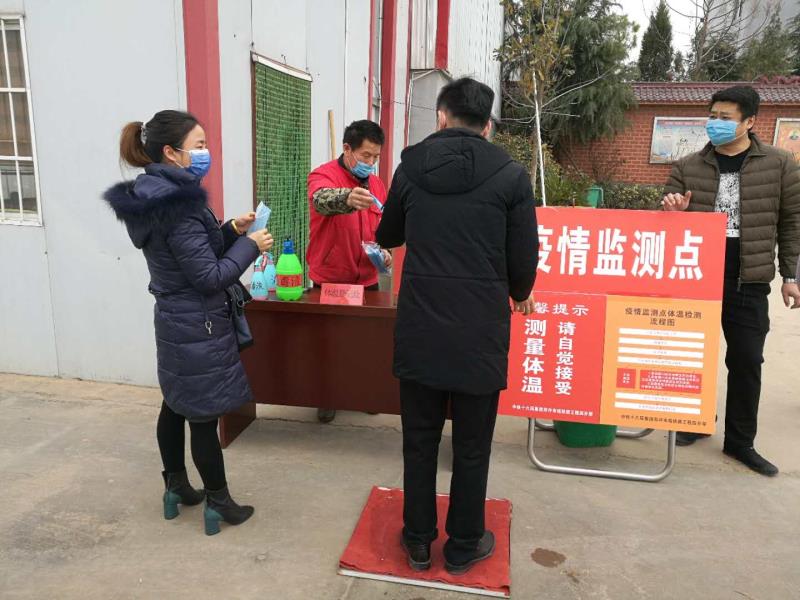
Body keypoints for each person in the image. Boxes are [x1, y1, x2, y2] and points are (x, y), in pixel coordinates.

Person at [376, 78, 538, 574]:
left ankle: (418, 541)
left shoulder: (409, 167)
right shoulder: (511, 176)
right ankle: (465, 544)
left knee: (419, 440)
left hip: (421, 326)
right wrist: (519, 293)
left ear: (441, 117)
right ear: (487, 125)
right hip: (479, 331)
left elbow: (388, 233)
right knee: (471, 445)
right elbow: (523, 260)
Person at [103, 110, 274, 533]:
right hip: (200, 323)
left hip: (174, 318)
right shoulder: (178, 205)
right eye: (198, 146)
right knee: (202, 414)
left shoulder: (155, 194)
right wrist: (250, 247)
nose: (205, 152)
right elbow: (208, 276)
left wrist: (231, 229)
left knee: (175, 402)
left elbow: (191, 252)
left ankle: (175, 486)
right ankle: (219, 502)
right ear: (171, 152)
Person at [663, 85, 800, 476]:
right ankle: (694, 422)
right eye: (713, 116)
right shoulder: (688, 165)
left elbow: (792, 222)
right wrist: (673, 212)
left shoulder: (779, 164)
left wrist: (790, 275)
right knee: (693, 355)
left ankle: (740, 442)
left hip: (749, 279)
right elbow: (665, 218)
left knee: (746, 359)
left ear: (750, 121)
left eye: (726, 118)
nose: (716, 124)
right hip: (697, 277)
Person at [306, 119, 392, 423]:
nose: (371, 162)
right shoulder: (323, 175)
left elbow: (381, 227)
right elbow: (321, 200)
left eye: (376, 157)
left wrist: (384, 251)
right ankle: (327, 396)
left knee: (366, 343)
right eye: (366, 155)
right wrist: (346, 197)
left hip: (367, 279)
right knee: (329, 344)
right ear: (347, 149)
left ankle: (364, 393)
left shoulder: (377, 184)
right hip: (331, 279)